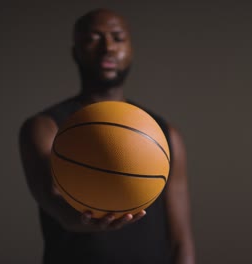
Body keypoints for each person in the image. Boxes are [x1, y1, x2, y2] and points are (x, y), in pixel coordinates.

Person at [18, 8, 196, 264]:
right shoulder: (45, 127)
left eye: (118, 37)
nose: (108, 47)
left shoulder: (165, 133)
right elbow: (54, 202)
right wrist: (80, 220)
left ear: (131, 50)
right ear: (75, 52)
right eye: (94, 38)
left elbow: (181, 239)